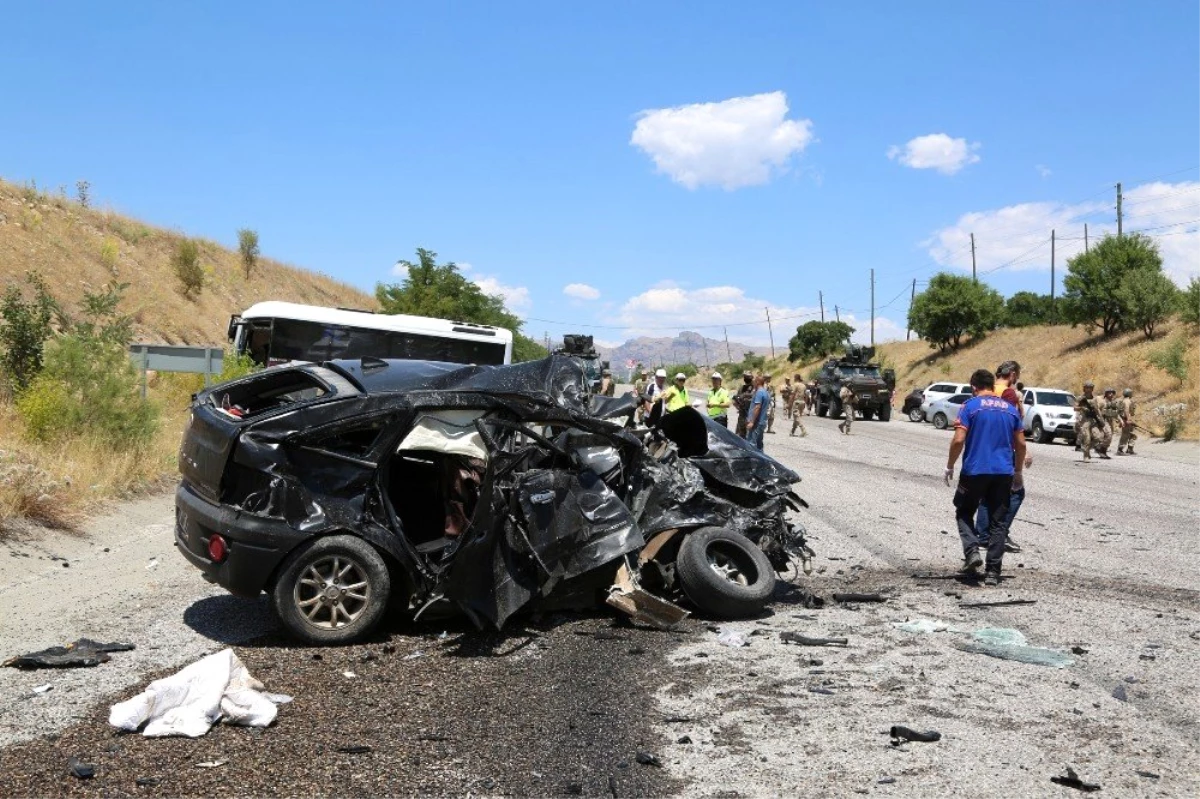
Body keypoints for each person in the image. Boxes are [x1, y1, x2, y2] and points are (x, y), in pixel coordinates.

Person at [945, 368, 1027, 586]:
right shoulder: (1010, 410)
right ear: (992, 386)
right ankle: (992, 573)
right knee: (998, 522)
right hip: (1003, 473)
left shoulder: (969, 407)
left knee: (964, 511)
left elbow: (958, 439)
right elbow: (1021, 444)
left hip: (974, 471)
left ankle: (972, 552)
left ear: (973, 387)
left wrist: (950, 465)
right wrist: (1018, 472)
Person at [974, 360, 1032, 555]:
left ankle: (983, 534)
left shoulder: (987, 391)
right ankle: (999, 533)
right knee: (1015, 492)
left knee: (986, 492)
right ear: (1013, 375)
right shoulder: (1009, 394)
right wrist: (1024, 452)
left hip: (983, 446)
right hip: (1004, 448)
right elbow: (1010, 424)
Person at [1075, 381, 1109, 461]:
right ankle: (1086, 456)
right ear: (1084, 388)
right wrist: (1082, 408)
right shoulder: (1080, 398)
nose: (1089, 389)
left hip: (1093, 421)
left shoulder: (1094, 399)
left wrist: (1101, 420)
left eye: (1090, 388)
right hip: (1084, 421)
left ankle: (1086, 450)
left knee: (1099, 438)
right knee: (1087, 438)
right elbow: (1075, 408)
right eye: (1087, 387)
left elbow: (1097, 410)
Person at [744, 375, 770, 450]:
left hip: (756, 423)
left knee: (751, 444)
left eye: (754, 382)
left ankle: (752, 461)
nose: (753, 383)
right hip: (762, 422)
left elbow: (757, 407)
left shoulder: (759, 392)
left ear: (758, 382)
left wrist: (752, 422)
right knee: (759, 445)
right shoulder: (766, 392)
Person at [733, 371, 755, 437]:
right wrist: (738, 406)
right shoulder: (742, 388)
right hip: (742, 415)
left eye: (747, 377)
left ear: (751, 378)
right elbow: (735, 400)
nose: (746, 378)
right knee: (738, 436)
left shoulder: (755, 389)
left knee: (749, 436)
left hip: (750, 416)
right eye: (745, 377)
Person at [1117, 388, 1138, 455]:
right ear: (1129, 394)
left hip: (1126, 419)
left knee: (1133, 435)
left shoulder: (1124, 400)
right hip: (1126, 420)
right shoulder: (1127, 401)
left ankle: (1130, 449)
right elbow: (1126, 411)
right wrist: (1128, 420)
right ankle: (1120, 450)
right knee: (1125, 435)